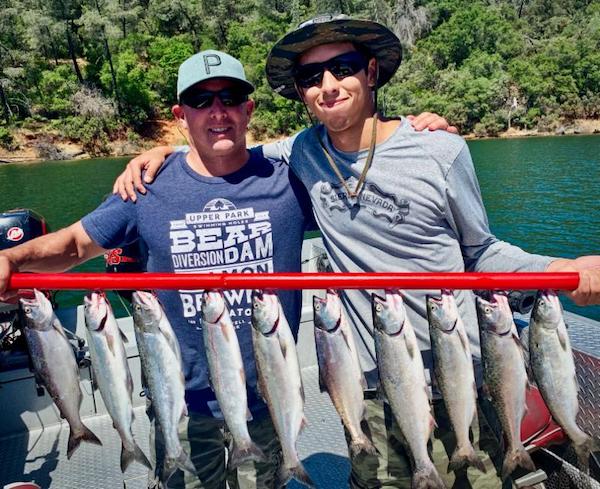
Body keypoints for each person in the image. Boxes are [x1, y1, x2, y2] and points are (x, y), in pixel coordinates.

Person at [113, 14, 600, 488]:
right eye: (311, 76)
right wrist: (166, 155)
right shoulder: (302, 152)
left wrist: (559, 268)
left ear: (370, 72)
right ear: (302, 91)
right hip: (371, 381)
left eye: (342, 67)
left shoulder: (439, 150)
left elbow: (481, 251)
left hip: (462, 370)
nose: (328, 84)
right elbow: (225, 150)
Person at [0, 48, 452, 488]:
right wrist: (12, 259)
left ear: (249, 109)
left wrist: (409, 132)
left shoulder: (290, 177)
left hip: (268, 397)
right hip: (180, 400)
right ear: (181, 115)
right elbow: (76, 243)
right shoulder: (147, 186)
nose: (218, 112)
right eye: (201, 101)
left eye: (231, 99)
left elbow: (366, 187)